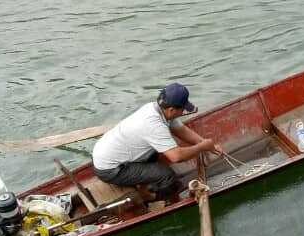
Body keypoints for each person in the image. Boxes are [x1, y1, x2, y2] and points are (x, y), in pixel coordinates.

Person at [92, 83, 223, 204]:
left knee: (158, 151)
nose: (183, 112)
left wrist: (208, 145)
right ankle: (150, 198)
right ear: (172, 110)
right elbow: (176, 157)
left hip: (106, 154)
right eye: (182, 109)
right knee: (168, 177)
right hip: (111, 170)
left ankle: (143, 184)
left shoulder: (156, 108)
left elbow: (181, 129)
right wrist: (201, 147)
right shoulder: (153, 124)